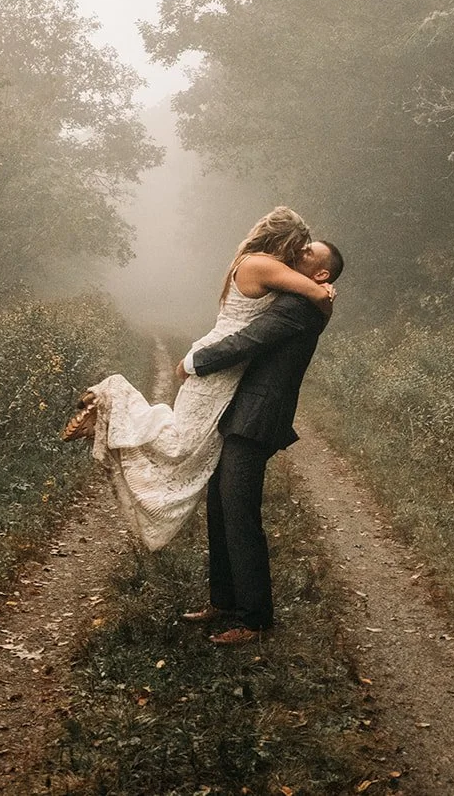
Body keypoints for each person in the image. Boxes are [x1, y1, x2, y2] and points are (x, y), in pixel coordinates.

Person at [62, 207, 335, 551]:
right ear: (285, 240)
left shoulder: (258, 263)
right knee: (179, 444)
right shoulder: (261, 264)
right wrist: (325, 294)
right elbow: (316, 293)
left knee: (183, 441)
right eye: (300, 246)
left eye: (306, 252)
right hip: (217, 367)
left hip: (223, 367)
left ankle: (112, 411)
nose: (300, 252)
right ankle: (111, 403)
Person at [177, 238, 343, 646]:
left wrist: (193, 362)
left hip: (257, 418)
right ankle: (223, 599)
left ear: (321, 273)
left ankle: (254, 619)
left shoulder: (299, 307)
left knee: (239, 512)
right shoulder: (301, 297)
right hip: (242, 412)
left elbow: (246, 342)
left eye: (308, 254)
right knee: (219, 503)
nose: (299, 252)